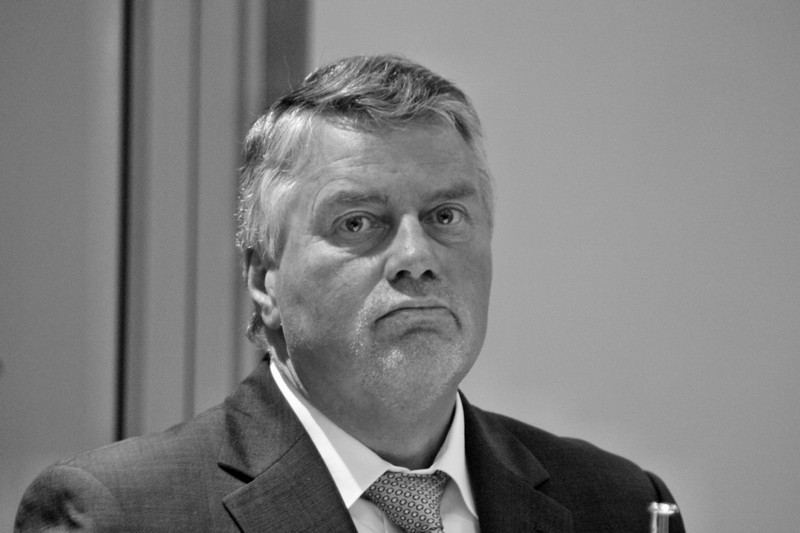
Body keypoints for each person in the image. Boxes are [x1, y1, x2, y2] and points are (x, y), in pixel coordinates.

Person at [16, 55, 684, 533]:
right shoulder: (118, 512)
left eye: (446, 216)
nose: (417, 259)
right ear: (263, 279)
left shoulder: (619, 505)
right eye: (358, 223)